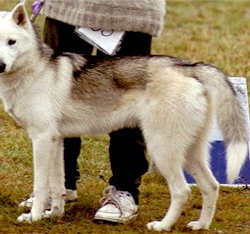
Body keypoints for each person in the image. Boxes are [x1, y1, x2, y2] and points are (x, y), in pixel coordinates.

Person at [20, 0, 166, 223]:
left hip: (132, 9)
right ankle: (57, 186)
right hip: (67, 7)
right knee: (55, 96)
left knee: (128, 97)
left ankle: (124, 188)